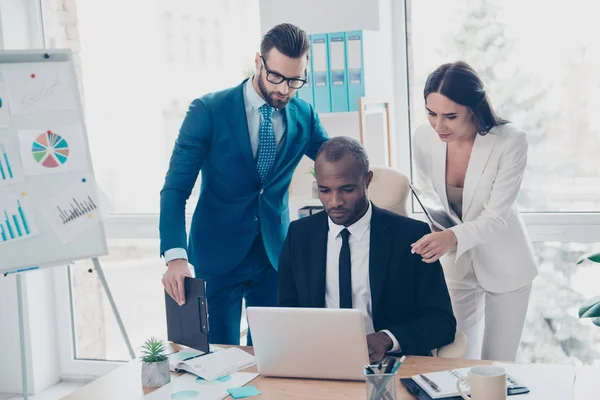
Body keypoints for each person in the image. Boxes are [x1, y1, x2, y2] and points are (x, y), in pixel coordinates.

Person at [159, 23, 329, 345]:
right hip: (216, 256)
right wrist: (176, 257)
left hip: (274, 256)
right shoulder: (208, 111)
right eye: (276, 77)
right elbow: (175, 189)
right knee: (216, 359)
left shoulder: (304, 115)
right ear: (258, 62)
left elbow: (336, 162)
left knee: (272, 355)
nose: (284, 90)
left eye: (295, 81)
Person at [278, 137, 456, 363]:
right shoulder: (300, 235)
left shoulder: (410, 236)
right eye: (324, 190)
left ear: (368, 180)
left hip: (389, 364)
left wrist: (386, 339)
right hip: (319, 361)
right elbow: (286, 313)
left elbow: (442, 322)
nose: (334, 202)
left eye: (347, 189)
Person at [411, 61, 538, 361]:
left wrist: (451, 237)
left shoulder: (511, 141)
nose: (438, 126)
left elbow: (496, 217)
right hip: (457, 265)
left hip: (505, 266)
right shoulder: (423, 138)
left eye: (450, 116)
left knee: (495, 365)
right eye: (431, 113)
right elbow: (429, 194)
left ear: (473, 107)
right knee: (453, 361)